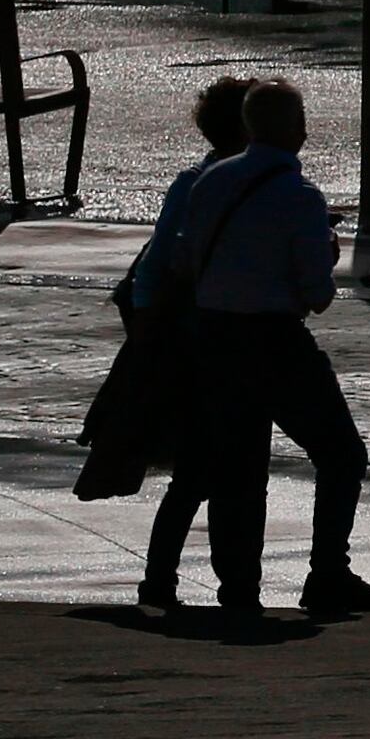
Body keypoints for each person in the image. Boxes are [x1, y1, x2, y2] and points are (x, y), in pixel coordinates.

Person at [178, 79, 370, 628]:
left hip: (214, 336)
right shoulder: (300, 198)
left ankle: (238, 590)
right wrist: (326, 252)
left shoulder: (209, 183)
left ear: (249, 127)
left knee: (239, 469)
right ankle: (327, 572)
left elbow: (185, 262)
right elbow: (316, 296)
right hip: (274, 340)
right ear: (297, 131)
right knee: (341, 454)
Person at [124, 79, 257, 611]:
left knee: (197, 472)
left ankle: (164, 579)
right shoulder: (211, 183)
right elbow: (166, 265)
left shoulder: (195, 180)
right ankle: (224, 584)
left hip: (186, 336)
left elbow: (153, 268)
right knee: (214, 469)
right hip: (206, 338)